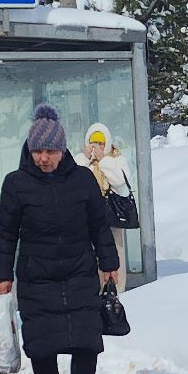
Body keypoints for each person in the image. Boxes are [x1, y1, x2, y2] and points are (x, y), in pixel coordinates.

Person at [0, 105, 119, 374]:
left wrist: (109, 265)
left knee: (86, 343)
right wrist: (2, 276)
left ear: (62, 151)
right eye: (38, 151)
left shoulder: (83, 180)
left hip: (78, 273)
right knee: (43, 346)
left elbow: (99, 226)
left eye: (50, 151)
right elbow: (6, 233)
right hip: (37, 277)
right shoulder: (16, 184)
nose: (44, 158)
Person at [81, 123, 132, 293]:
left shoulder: (116, 159)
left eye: (101, 142)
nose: (97, 146)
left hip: (112, 215)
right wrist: (84, 157)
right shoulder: (84, 161)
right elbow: (72, 179)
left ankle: (117, 290)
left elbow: (120, 181)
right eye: (93, 142)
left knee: (115, 252)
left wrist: (104, 160)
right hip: (88, 217)